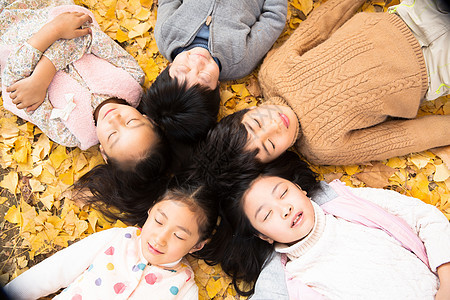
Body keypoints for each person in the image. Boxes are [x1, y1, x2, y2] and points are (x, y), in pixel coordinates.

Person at [205, 0, 450, 166]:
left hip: (404, 18)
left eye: (257, 122)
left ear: (248, 110)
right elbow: (400, 138)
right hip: (433, 69)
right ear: (278, 156)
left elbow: (322, 24)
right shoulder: (323, 149)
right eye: (270, 144)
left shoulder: (273, 72)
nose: (274, 127)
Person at [1, 0, 220, 171]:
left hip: (9, 40)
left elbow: (14, 86)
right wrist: (46, 65)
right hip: (49, 10)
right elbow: (87, 34)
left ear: (104, 153)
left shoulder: (70, 134)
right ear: (147, 119)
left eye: (113, 136)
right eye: (132, 122)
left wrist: (51, 37)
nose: (116, 119)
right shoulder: (131, 78)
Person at [205, 151, 450, 298]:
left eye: (283, 193)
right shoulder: (291, 278)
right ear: (262, 236)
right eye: (267, 215)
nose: (285, 209)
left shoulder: (346, 200)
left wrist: (447, 281)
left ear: (299, 188)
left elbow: (424, 217)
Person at [4, 179, 218, 299]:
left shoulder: (184, 287)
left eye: (179, 236)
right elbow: (55, 270)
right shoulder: (117, 240)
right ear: (151, 209)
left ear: (197, 245)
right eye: (159, 221)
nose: (160, 238)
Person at [154, 0, 288, 89]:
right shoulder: (241, 60)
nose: (197, 63)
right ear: (217, 87)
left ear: (169, 67)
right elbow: (273, 18)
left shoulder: (165, 34)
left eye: (183, 69)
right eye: (204, 77)